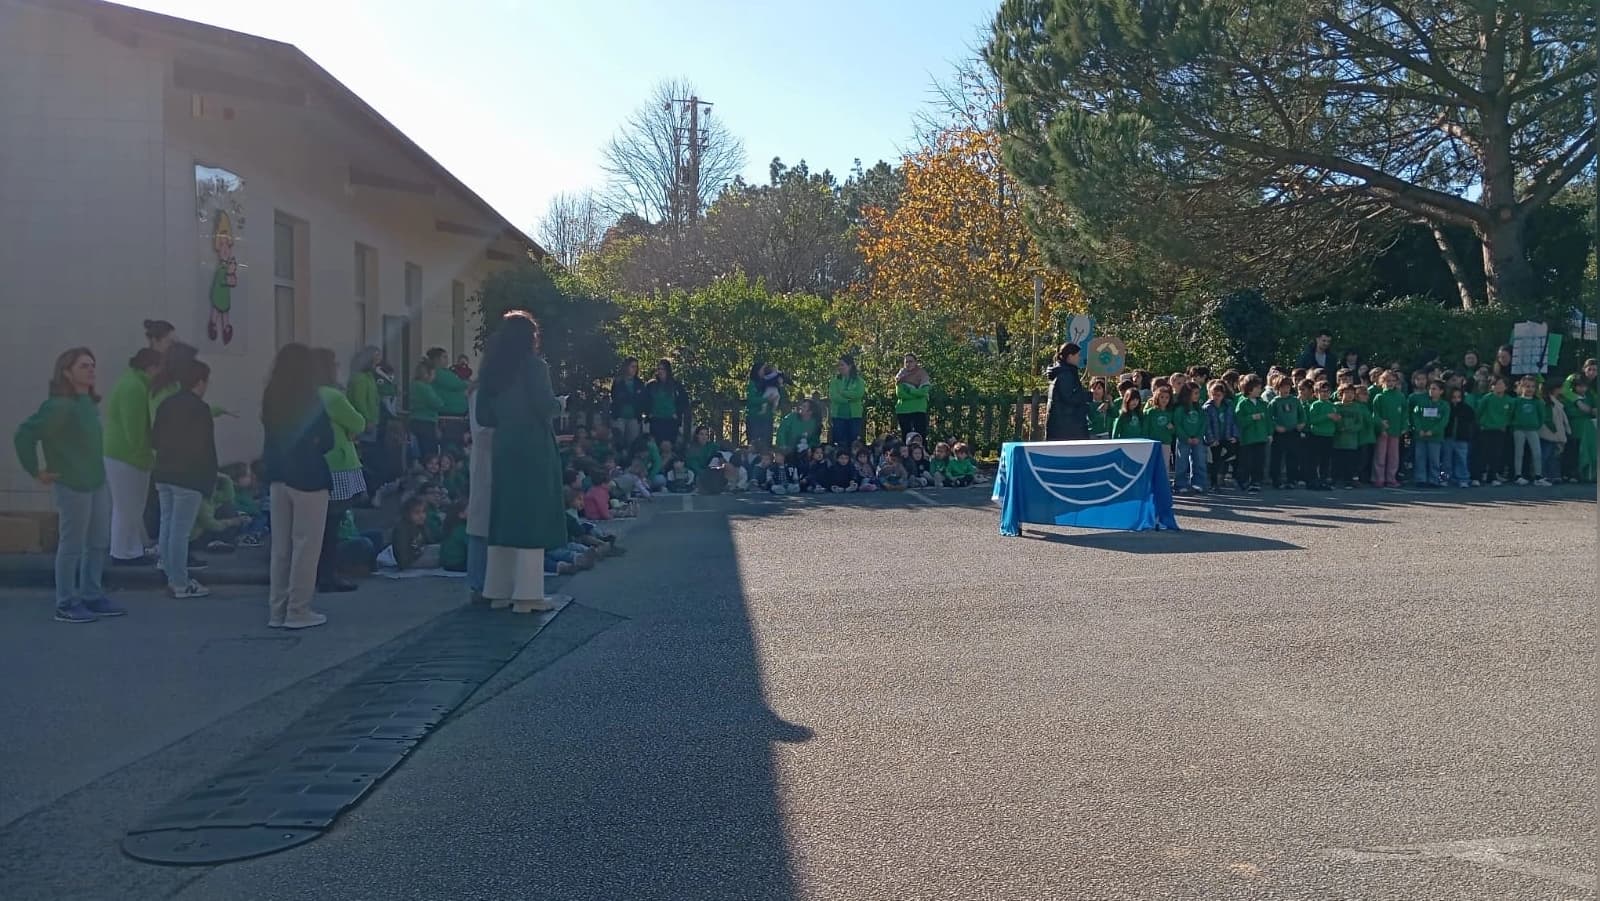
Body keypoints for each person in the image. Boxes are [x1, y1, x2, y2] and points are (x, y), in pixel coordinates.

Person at [14, 348, 122, 623]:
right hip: (72, 485)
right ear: (66, 371)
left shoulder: (87, 404)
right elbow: (25, 434)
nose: (91, 370)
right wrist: (37, 471)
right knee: (72, 545)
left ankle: (91, 595)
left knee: (98, 543)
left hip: (97, 483)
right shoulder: (59, 406)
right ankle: (66, 603)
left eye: (93, 365)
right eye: (84, 365)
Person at [475, 312, 570, 614]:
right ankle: (528, 595)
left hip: (504, 445)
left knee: (505, 515)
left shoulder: (490, 369)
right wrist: (560, 404)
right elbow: (545, 405)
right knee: (533, 516)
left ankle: (498, 590)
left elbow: (483, 416)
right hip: (532, 444)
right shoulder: (534, 366)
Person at [261, 343, 335, 629]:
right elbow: (326, 439)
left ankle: (276, 610)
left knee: (281, 547)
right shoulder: (310, 398)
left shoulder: (271, 395)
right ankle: (298, 609)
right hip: (309, 477)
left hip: (278, 475)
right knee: (306, 546)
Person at [152, 359, 218, 598]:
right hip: (188, 476)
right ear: (200, 382)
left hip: (163, 472)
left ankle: (172, 574)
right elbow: (206, 448)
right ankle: (180, 582)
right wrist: (209, 482)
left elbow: (154, 439)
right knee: (181, 531)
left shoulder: (166, 404)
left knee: (167, 525)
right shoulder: (200, 409)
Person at [103, 348, 163, 565]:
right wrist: (149, 452)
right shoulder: (134, 388)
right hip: (127, 457)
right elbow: (135, 432)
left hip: (122, 455)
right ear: (151, 367)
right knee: (128, 507)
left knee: (128, 507)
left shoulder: (132, 383)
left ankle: (130, 550)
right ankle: (123, 553)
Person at [313, 348, 366, 593]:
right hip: (338, 463)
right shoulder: (332, 396)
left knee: (317, 525)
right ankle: (328, 574)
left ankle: (317, 572)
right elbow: (358, 422)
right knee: (332, 524)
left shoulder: (304, 394)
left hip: (315, 462)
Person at [464, 386, 493, 601]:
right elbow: (483, 431)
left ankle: (492, 580)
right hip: (486, 461)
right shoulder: (480, 394)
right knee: (481, 523)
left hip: (498, 462)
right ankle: (478, 583)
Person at [425, 348, 470, 450]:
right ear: (436, 359)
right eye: (444, 357)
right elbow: (458, 384)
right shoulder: (437, 372)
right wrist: (469, 384)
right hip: (448, 417)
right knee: (451, 447)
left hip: (456, 416)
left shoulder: (446, 371)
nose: (447, 360)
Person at [1508, 377, 1550, 485]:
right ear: (1521, 387)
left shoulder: (1537, 402)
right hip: (1519, 429)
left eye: (1532, 386)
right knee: (1519, 452)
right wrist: (1514, 425)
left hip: (1532, 429)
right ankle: (1518, 475)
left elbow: (1542, 416)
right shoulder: (1516, 401)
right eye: (1527, 386)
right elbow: (1511, 414)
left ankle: (1538, 476)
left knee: (1537, 453)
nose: (1530, 389)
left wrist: (1536, 425)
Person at [1044, 343, 1090, 440]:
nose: (1079, 358)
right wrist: (1089, 396)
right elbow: (1069, 398)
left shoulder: (1060, 371)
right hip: (1067, 426)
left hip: (1059, 424)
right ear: (1070, 356)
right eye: (1077, 355)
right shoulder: (1065, 374)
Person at [1369, 370, 1407, 488]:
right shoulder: (1379, 397)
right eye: (1387, 381)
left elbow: (1405, 413)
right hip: (1383, 431)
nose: (1390, 383)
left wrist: (1404, 427)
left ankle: (1391, 478)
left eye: (1393, 381)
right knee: (1380, 455)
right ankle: (1378, 478)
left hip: (1396, 431)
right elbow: (1375, 414)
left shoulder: (1400, 396)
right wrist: (1381, 424)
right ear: (1382, 382)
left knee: (1393, 456)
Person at [1233, 375, 1271, 493]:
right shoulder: (1243, 403)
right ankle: (1243, 480)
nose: (1260, 390)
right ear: (1250, 389)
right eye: (1258, 387)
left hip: (1260, 437)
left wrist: (1269, 433)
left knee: (1259, 461)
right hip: (1247, 438)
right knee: (1246, 462)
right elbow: (1239, 420)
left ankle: (1256, 481)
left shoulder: (1262, 404)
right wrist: (1252, 418)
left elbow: (1268, 420)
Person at [1266, 374, 1305, 489]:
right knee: (1277, 458)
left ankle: (1291, 480)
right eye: (1283, 387)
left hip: (1293, 432)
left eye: (1288, 387)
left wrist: (1301, 423)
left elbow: (1302, 415)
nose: (1286, 389)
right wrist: (1275, 426)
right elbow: (1269, 418)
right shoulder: (1274, 402)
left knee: (1292, 457)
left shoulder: (1295, 401)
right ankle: (1276, 480)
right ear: (1278, 388)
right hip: (1280, 433)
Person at [1410, 380, 1450, 488]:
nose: (1431, 391)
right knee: (1420, 458)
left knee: (1434, 459)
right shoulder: (1422, 402)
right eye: (1430, 389)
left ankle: (1434, 479)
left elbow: (1443, 421)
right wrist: (1419, 429)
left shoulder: (1444, 405)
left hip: (1435, 437)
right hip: (1421, 435)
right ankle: (1420, 479)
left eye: (1434, 389)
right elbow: (1416, 416)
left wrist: (1433, 431)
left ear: (1441, 391)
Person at [1474, 376, 1513, 485]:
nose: (1499, 386)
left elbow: (1510, 415)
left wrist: (1505, 424)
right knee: (1482, 454)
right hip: (1486, 429)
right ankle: (1477, 477)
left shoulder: (1509, 400)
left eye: (1501, 384)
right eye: (1496, 384)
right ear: (1492, 386)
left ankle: (1492, 477)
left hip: (1499, 430)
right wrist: (1480, 424)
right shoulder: (1487, 398)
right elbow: (1479, 412)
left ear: (1506, 387)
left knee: (1496, 454)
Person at [1202, 380, 1239, 490]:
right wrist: (1211, 439)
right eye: (1213, 394)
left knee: (1233, 452)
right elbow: (1207, 426)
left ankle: (1231, 477)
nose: (1216, 397)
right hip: (1215, 438)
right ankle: (1214, 484)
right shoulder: (1207, 407)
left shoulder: (1228, 406)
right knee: (1215, 461)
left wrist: (1235, 436)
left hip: (1226, 436)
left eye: (1218, 395)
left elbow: (1233, 421)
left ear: (1223, 395)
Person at [1172, 384, 1208, 493]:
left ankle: (1198, 483)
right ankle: (1180, 483)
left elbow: (1203, 423)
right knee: (1182, 462)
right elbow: (1177, 424)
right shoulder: (1180, 409)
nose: (1198, 395)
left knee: (1199, 461)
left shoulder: (1199, 408)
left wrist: (1198, 436)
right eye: (1195, 393)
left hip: (1197, 439)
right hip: (1184, 439)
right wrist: (1185, 437)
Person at [644, 359, 690, 445]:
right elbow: (644, 400)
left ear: (668, 370)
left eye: (663, 369)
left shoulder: (676, 385)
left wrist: (677, 413)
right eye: (659, 369)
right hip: (656, 420)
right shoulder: (651, 385)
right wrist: (649, 413)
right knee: (656, 445)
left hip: (671, 421)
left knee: (669, 445)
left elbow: (684, 402)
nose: (660, 371)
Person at [1331, 385, 1368, 489]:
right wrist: (1339, 427)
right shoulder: (1336, 406)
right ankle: (1335, 479)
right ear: (1340, 394)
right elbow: (1333, 421)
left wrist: (1350, 428)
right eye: (1347, 393)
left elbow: (1359, 423)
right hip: (1338, 441)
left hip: (1351, 441)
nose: (1350, 395)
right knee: (1337, 461)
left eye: (1352, 393)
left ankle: (1349, 480)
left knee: (1350, 462)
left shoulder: (1357, 407)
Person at [828, 356, 867, 450]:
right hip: (838, 416)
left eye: (842, 365)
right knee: (839, 440)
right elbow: (834, 396)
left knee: (853, 440)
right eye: (838, 365)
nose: (840, 367)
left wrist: (843, 393)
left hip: (854, 416)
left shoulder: (859, 381)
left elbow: (858, 394)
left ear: (850, 366)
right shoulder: (834, 381)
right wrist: (848, 399)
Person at [1443, 385, 1479, 488]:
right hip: (1447, 437)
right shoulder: (1446, 407)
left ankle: (1463, 479)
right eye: (1454, 397)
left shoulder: (1467, 409)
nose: (1456, 399)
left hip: (1462, 438)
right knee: (1446, 462)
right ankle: (1444, 478)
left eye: (1458, 397)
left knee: (1462, 460)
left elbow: (1472, 422)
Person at [408, 361, 443, 459]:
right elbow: (437, 403)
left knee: (417, 451)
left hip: (414, 420)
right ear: (427, 374)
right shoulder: (425, 387)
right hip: (426, 423)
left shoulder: (413, 385)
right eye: (433, 373)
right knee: (429, 453)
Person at [894, 353, 933, 438]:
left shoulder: (922, 374)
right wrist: (916, 394)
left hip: (918, 409)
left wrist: (910, 390)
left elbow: (924, 392)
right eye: (906, 362)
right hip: (903, 410)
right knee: (905, 437)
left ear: (916, 362)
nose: (908, 364)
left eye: (911, 361)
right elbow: (900, 394)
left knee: (921, 436)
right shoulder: (900, 376)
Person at [1538, 382, 1570, 485]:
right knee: (1545, 454)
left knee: (1554, 456)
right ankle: (1542, 475)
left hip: (1556, 433)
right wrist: (1555, 431)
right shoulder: (1547, 401)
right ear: (1555, 389)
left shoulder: (1558, 401)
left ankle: (1554, 476)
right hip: (1548, 433)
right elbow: (1547, 418)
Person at [610, 357, 646, 446]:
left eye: (636, 367)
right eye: (632, 366)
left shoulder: (639, 383)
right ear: (626, 367)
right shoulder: (618, 381)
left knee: (632, 444)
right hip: (619, 416)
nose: (634, 369)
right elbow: (616, 397)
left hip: (634, 417)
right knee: (618, 443)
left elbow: (641, 399)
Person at [743, 361, 777, 450]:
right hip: (755, 418)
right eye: (763, 369)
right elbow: (752, 400)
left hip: (766, 418)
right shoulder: (752, 384)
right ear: (757, 371)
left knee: (766, 445)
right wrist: (766, 400)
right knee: (754, 444)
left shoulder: (769, 382)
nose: (765, 371)